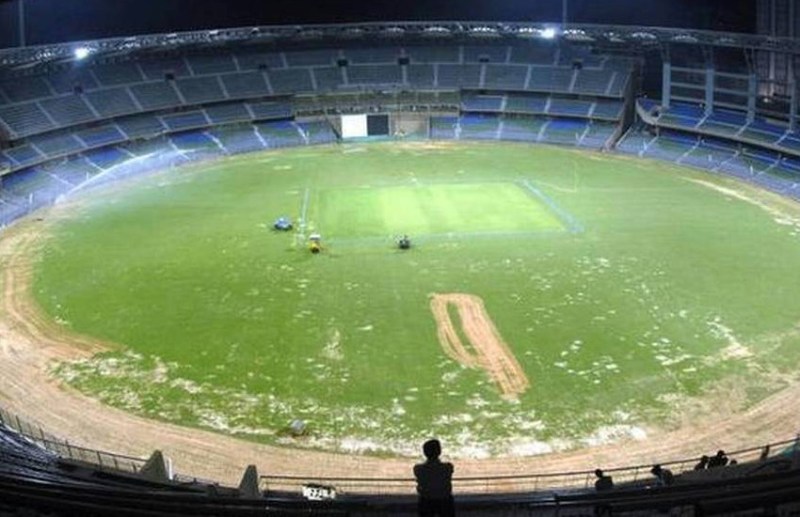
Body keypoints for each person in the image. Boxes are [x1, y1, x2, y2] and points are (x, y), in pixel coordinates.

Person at [414, 439, 454, 517]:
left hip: (426, 500)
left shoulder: (418, 468)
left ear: (424, 453)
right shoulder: (448, 467)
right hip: (444, 499)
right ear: (439, 451)